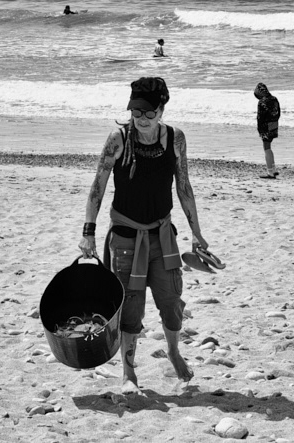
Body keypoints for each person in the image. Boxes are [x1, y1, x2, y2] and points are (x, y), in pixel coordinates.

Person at [78, 77, 208, 395]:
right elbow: (98, 185)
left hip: (162, 235)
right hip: (125, 238)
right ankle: (128, 373)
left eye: (149, 113)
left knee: (172, 300)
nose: (142, 119)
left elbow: (184, 186)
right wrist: (88, 232)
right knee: (130, 307)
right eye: (136, 112)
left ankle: (173, 351)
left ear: (162, 110)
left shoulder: (175, 139)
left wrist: (196, 233)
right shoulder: (119, 139)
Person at [254, 83, 280, 179]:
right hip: (274, 124)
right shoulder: (274, 99)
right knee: (269, 146)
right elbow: (278, 113)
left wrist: (260, 129)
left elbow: (260, 117)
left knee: (266, 147)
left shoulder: (262, 101)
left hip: (266, 126)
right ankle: (273, 169)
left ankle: (270, 172)